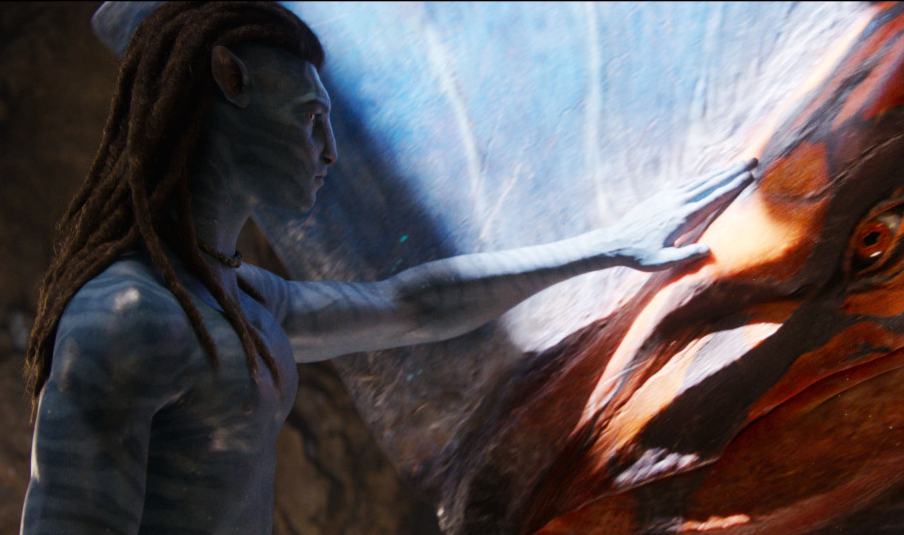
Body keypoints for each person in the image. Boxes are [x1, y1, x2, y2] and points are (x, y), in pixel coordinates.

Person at [19, 2, 753, 533]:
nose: (329, 151)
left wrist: (612, 244)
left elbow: (416, 306)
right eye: (310, 118)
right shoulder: (125, 322)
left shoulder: (243, 296)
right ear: (228, 79)